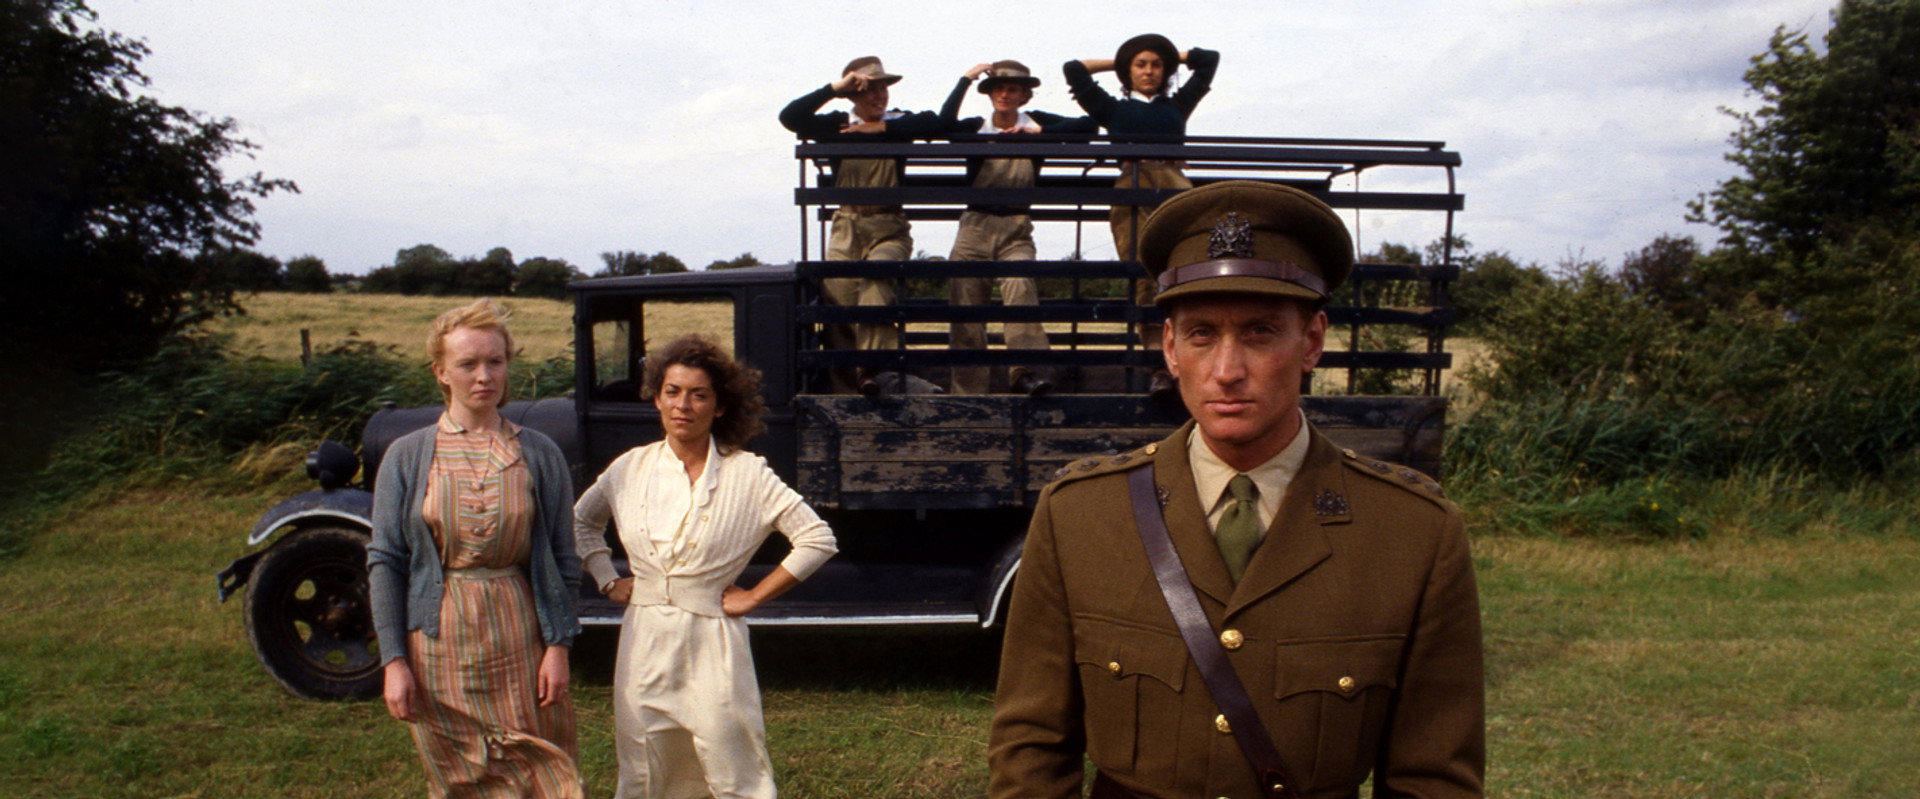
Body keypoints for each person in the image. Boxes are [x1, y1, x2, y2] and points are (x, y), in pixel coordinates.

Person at [988, 181, 1484, 798]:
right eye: (1200, 334)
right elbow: (1032, 747)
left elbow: (1433, 778)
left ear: (1310, 342)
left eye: (1259, 333)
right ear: (1169, 348)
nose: (1226, 370)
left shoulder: (1412, 532)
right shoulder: (1082, 515)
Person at [573, 335, 839, 799]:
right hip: (645, 638)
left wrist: (755, 596)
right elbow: (581, 522)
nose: (684, 406)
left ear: (719, 406)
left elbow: (817, 539)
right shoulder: (629, 469)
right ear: (656, 398)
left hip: (712, 641)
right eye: (673, 392)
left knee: (731, 760)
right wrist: (607, 578)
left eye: (699, 395)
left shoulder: (747, 474)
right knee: (645, 764)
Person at [367, 298, 584, 798]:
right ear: (441, 372)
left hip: (518, 630)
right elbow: (386, 562)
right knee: (460, 775)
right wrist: (394, 661)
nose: (484, 376)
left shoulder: (539, 452)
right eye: (468, 364)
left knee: (536, 766)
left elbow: (563, 559)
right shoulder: (407, 455)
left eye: (495, 361)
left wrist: (558, 646)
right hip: (439, 639)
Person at [781, 56, 950, 396]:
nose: (880, 96)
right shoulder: (835, 123)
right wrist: (833, 89)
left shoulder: (899, 122)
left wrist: (882, 129)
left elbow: (940, 123)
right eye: (871, 89)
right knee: (837, 302)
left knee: (877, 274)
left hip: (888, 225)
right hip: (846, 224)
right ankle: (848, 396)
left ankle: (873, 370)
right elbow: (790, 117)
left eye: (884, 88)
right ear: (853, 93)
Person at [1064, 34, 1220, 397]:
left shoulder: (1178, 105)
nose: (1149, 71)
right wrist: (1119, 60)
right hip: (1131, 193)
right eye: (1140, 64)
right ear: (1128, 71)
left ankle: (1193, 363)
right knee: (1143, 279)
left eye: (1156, 64)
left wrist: (1170, 54)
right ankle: (1158, 369)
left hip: (1174, 187)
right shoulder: (1112, 109)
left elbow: (1209, 59)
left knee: (1187, 270)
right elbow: (1073, 70)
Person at [938, 59, 1097, 396]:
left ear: (1025, 94)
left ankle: (1026, 374)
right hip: (975, 225)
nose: (1004, 94)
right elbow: (942, 125)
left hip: (1016, 225)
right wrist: (965, 79)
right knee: (965, 304)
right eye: (998, 88)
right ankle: (969, 394)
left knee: (1021, 287)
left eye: (1012, 89)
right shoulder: (977, 127)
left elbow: (1088, 127)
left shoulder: (1037, 123)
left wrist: (1039, 133)